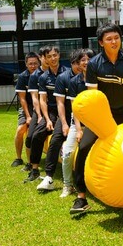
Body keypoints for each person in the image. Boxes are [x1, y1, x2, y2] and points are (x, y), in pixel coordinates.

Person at [71, 23, 123, 214]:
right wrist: (93, 122)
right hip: (102, 116)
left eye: (116, 38)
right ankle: (81, 197)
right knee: (84, 147)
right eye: (108, 39)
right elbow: (92, 96)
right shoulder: (94, 65)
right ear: (101, 42)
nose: (113, 41)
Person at [36, 49, 85, 192]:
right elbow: (60, 103)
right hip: (68, 116)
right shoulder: (64, 78)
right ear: (72, 63)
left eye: (84, 61)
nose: (81, 65)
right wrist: (63, 123)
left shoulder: (91, 77)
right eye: (78, 63)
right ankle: (49, 177)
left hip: (88, 117)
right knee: (56, 139)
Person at [25, 46, 66, 182]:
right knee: (36, 135)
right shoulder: (43, 77)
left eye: (55, 55)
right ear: (45, 59)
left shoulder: (67, 73)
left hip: (67, 111)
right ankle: (35, 169)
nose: (52, 58)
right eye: (49, 56)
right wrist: (47, 119)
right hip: (51, 111)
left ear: (59, 55)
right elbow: (42, 101)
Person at [60, 49, 93, 198]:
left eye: (89, 59)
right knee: (67, 154)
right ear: (78, 64)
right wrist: (79, 130)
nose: (86, 62)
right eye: (83, 60)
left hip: (97, 123)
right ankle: (68, 185)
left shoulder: (99, 79)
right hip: (78, 123)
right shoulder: (74, 82)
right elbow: (75, 108)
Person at [22, 46, 50, 172]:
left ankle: (35, 167)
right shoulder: (34, 76)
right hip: (39, 111)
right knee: (30, 138)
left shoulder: (60, 72)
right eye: (46, 57)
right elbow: (35, 99)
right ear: (41, 58)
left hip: (54, 111)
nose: (50, 59)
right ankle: (32, 164)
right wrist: (38, 116)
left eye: (52, 56)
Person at [11, 52, 40, 167]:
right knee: (20, 130)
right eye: (30, 64)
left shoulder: (43, 75)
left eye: (35, 63)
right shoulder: (23, 77)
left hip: (41, 108)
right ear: (26, 64)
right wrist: (28, 116)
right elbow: (22, 99)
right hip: (26, 107)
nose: (33, 66)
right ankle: (18, 158)